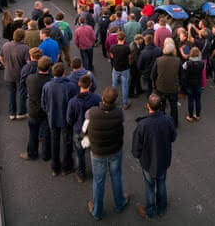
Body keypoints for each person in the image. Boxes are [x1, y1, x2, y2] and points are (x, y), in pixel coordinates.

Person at [86, 87, 131, 220]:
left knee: (98, 181)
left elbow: (86, 120)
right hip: (115, 150)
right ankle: (120, 203)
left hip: (97, 152)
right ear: (115, 100)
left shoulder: (92, 113)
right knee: (116, 176)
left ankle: (97, 211)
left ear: (103, 98)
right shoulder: (119, 113)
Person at [132, 94, 177, 219]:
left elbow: (136, 148)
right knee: (161, 183)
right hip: (163, 159)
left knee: (149, 186)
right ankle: (162, 208)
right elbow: (173, 137)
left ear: (148, 106)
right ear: (160, 106)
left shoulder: (143, 124)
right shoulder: (168, 120)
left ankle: (150, 211)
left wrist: (138, 155)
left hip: (148, 162)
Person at [41, 62, 77, 175]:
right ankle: (67, 167)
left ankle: (55, 168)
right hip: (66, 118)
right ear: (64, 73)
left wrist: (49, 112)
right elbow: (74, 103)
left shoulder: (47, 86)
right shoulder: (70, 86)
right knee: (67, 142)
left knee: (54, 141)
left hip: (52, 117)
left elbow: (43, 104)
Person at [66, 74, 101, 183]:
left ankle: (81, 174)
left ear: (79, 84)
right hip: (93, 129)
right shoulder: (96, 98)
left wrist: (74, 125)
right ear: (90, 84)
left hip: (78, 130)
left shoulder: (72, 102)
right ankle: (98, 172)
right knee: (95, 152)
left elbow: (69, 118)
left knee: (79, 153)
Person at [21, 56, 52, 162]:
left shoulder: (30, 78)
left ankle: (32, 153)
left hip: (33, 110)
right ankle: (46, 155)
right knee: (46, 133)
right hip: (46, 111)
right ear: (49, 67)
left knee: (33, 133)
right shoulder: (51, 81)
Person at [0, 29, 30, 120]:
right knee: (22, 93)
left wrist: (5, 64)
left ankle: (12, 113)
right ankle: (21, 112)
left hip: (8, 73)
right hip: (21, 74)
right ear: (23, 37)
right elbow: (28, 62)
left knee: (11, 93)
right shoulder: (25, 48)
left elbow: (0, 57)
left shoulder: (5, 45)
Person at [151, 40, 181, 127]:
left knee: (161, 107)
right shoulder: (178, 60)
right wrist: (180, 86)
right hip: (173, 88)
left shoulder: (158, 60)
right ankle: (174, 123)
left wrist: (154, 85)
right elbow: (182, 75)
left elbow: (153, 75)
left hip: (161, 88)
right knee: (173, 106)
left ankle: (162, 123)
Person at [110, 31, 132, 110]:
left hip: (116, 68)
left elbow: (112, 56)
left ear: (117, 38)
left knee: (114, 85)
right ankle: (125, 103)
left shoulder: (112, 47)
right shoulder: (126, 47)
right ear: (124, 38)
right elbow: (129, 57)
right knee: (125, 86)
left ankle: (112, 101)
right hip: (125, 68)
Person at [183, 47, 204, 123]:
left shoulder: (187, 63)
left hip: (189, 84)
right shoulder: (202, 63)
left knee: (190, 100)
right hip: (198, 83)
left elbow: (183, 71)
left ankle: (190, 116)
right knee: (198, 100)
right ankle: (198, 115)